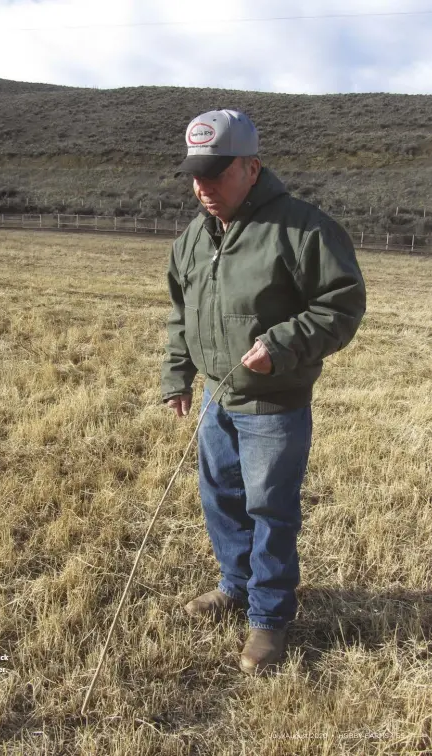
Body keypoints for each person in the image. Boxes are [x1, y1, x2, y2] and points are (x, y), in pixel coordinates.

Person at [161, 109, 366, 674]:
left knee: (269, 511)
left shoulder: (305, 229)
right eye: (195, 174)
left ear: (251, 168)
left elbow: (342, 307)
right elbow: (183, 313)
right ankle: (234, 585)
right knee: (220, 501)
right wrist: (178, 374)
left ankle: (269, 619)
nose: (202, 186)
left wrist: (282, 344)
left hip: (274, 406)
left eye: (216, 172)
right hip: (215, 400)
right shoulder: (191, 241)